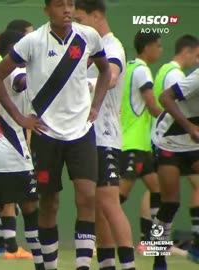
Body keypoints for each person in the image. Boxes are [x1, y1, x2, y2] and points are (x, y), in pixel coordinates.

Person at [0, 0, 112, 269]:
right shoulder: (31, 42)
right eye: (59, 5)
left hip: (82, 132)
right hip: (46, 134)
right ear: (47, 10)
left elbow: (106, 70)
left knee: (87, 196)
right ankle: (49, 266)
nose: (66, 9)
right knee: (49, 202)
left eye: (70, 4)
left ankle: (82, 265)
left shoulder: (88, 36)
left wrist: (97, 105)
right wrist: (20, 118)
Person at [0, 30, 45, 270]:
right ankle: (42, 265)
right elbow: (23, 82)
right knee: (31, 213)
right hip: (14, 154)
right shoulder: (15, 73)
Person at [75, 0, 135, 269]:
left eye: (80, 18)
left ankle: (128, 265)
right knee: (95, 205)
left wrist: (74, 85)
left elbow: (109, 77)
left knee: (110, 203)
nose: (76, 25)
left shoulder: (112, 47)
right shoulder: (85, 48)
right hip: (86, 136)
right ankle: (107, 264)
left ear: (96, 16)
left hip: (106, 136)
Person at [151, 36, 199, 268]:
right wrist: (189, 126)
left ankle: (196, 243)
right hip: (169, 141)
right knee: (170, 203)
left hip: (195, 145)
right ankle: (157, 254)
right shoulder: (196, 78)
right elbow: (164, 97)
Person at [118, 31, 163, 247]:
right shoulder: (142, 70)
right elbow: (153, 107)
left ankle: (150, 240)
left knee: (158, 189)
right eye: (158, 46)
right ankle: (98, 235)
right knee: (117, 198)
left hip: (142, 145)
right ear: (148, 47)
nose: (161, 50)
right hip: (132, 144)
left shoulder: (130, 67)